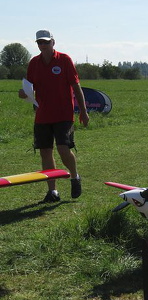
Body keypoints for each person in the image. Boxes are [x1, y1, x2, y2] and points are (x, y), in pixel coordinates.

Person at [18, 29, 89, 203]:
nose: (43, 45)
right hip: (42, 115)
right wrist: (24, 94)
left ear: (53, 42)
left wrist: (84, 111)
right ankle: (53, 191)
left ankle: (74, 176)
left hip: (63, 114)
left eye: (45, 42)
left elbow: (76, 86)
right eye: (39, 43)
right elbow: (30, 88)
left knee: (64, 150)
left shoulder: (64, 60)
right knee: (45, 153)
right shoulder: (34, 63)